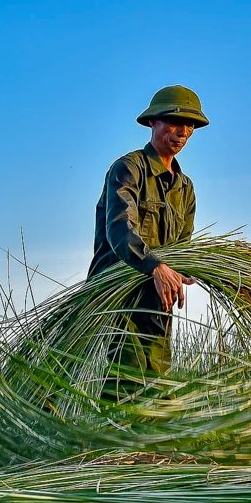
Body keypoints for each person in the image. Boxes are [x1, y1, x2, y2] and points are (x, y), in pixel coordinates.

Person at [89, 85, 208, 401]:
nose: (182, 132)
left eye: (190, 125)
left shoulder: (185, 188)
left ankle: (149, 437)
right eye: (174, 122)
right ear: (153, 122)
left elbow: (182, 247)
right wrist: (155, 267)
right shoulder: (128, 169)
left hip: (158, 302)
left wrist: (185, 271)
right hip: (120, 296)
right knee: (127, 382)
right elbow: (119, 228)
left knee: (157, 384)